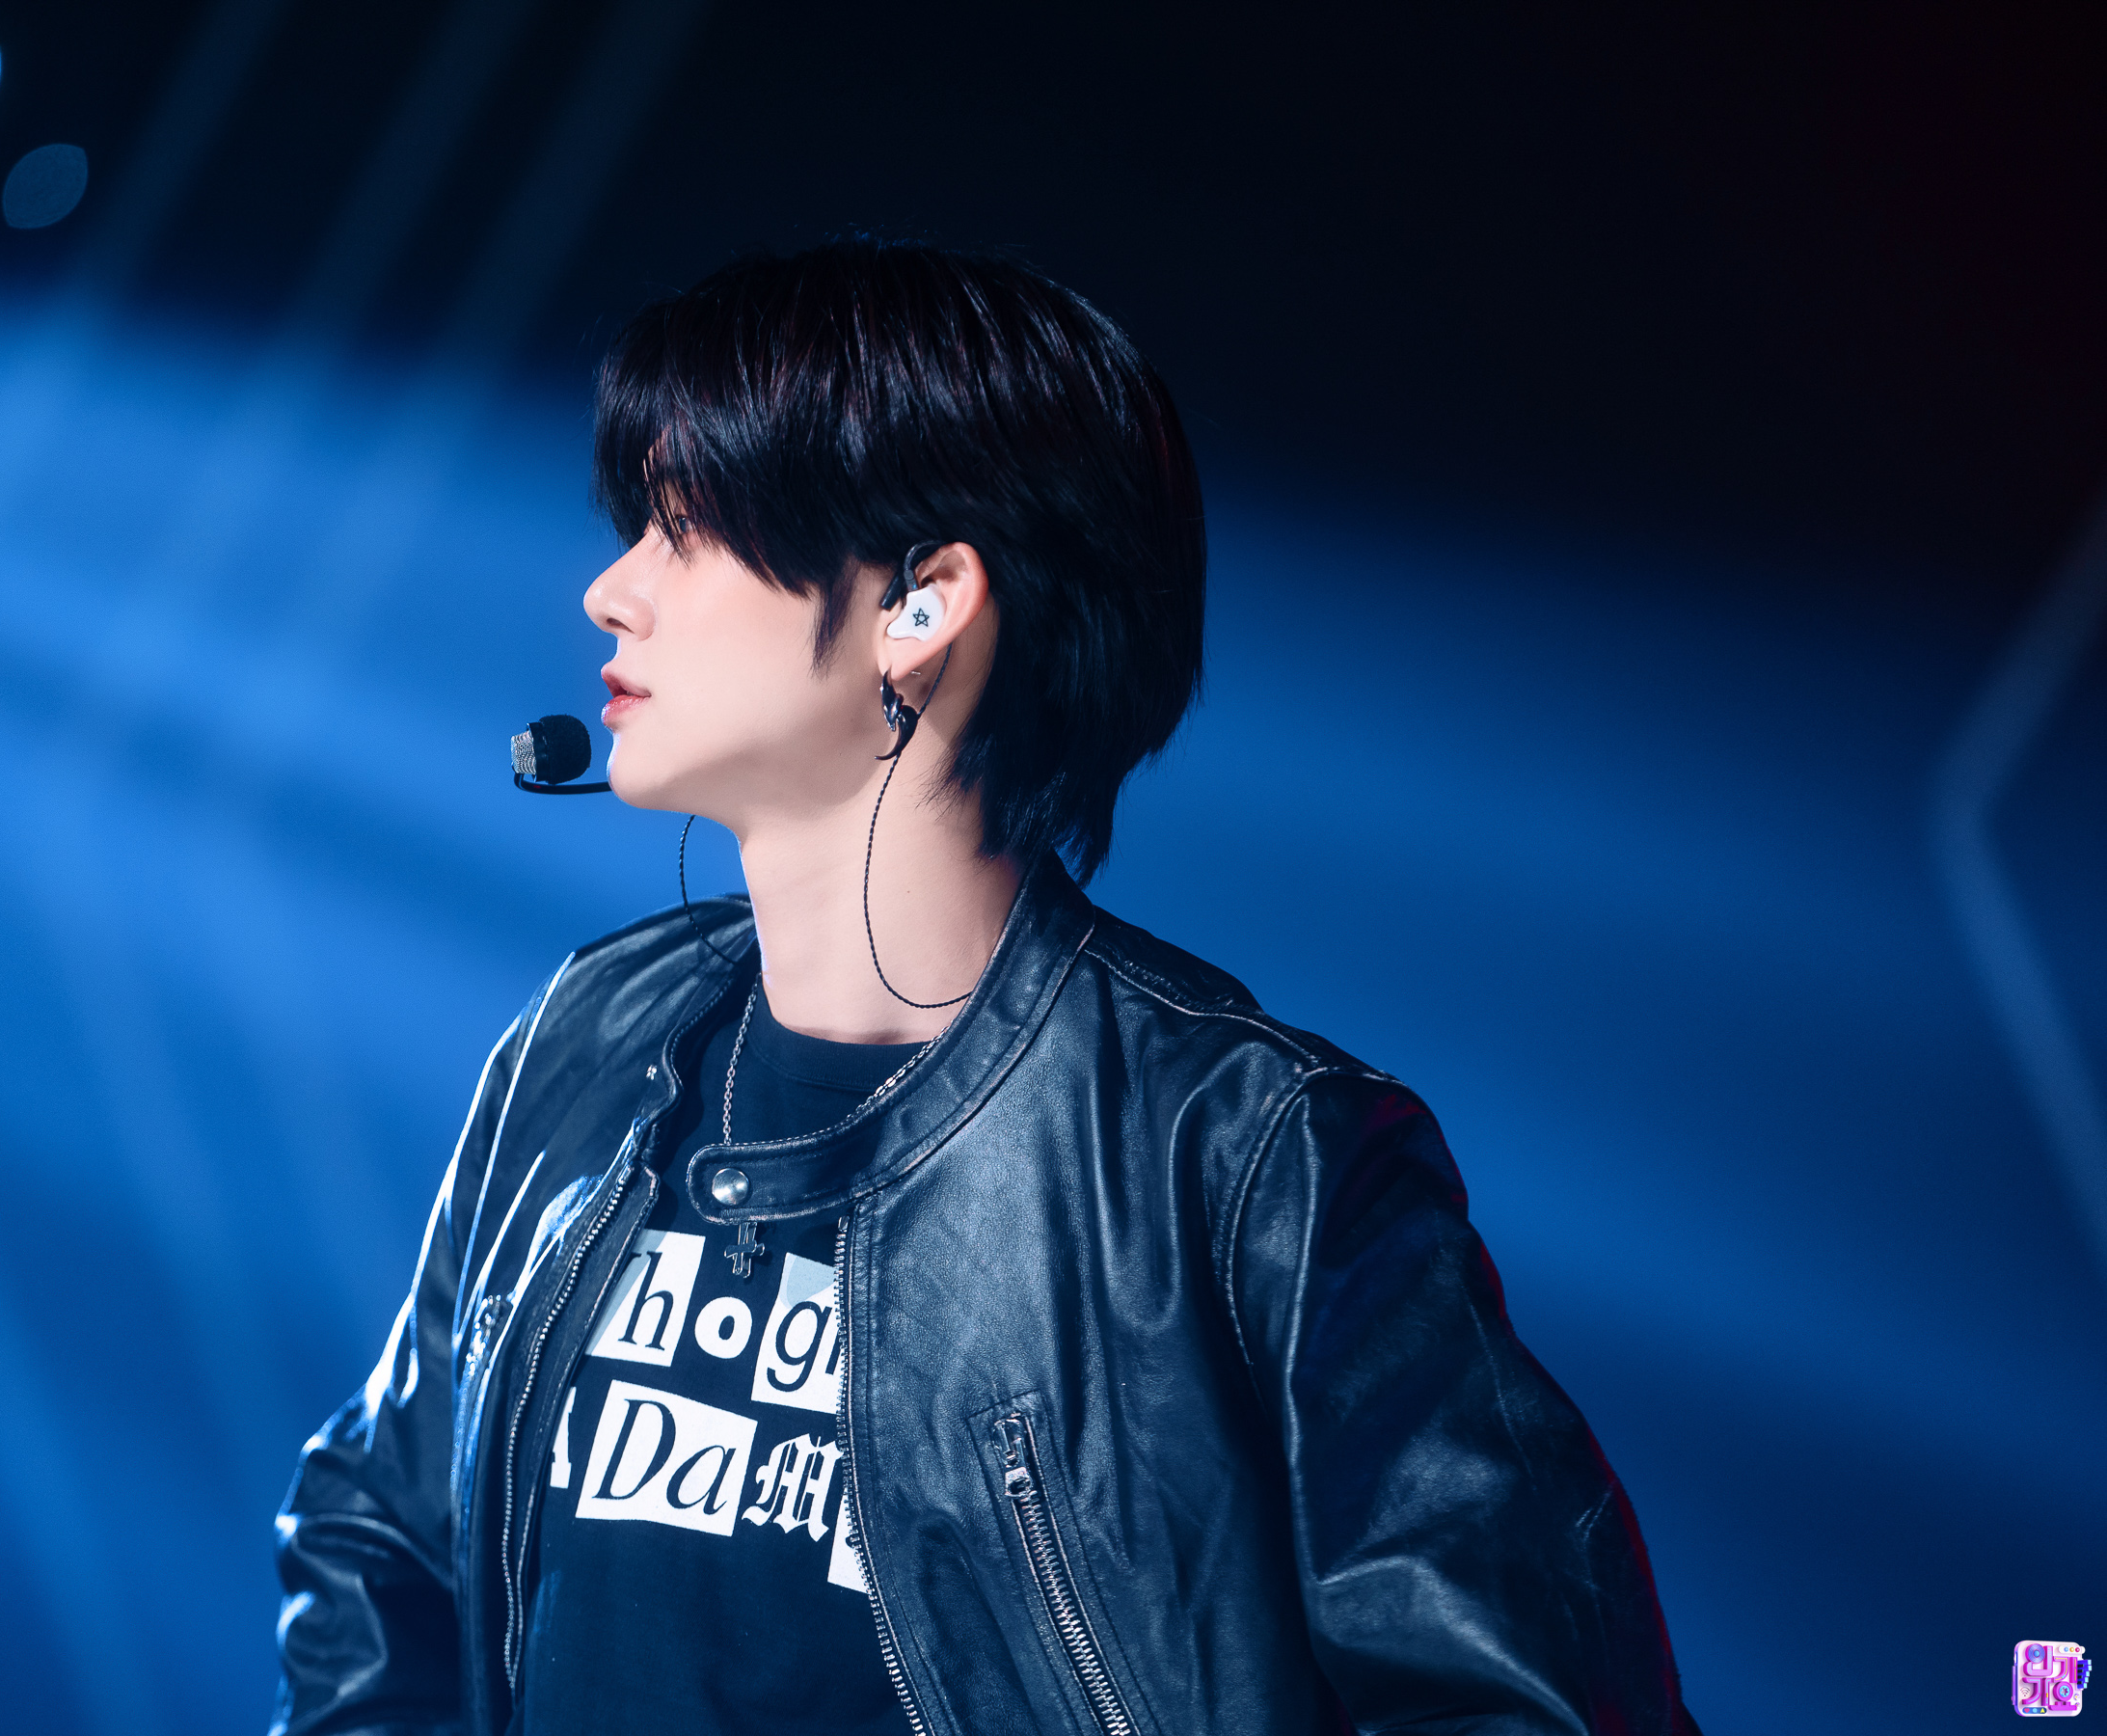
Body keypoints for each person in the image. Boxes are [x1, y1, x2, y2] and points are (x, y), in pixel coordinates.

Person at [271, 238, 1700, 1736]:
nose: (611, 590)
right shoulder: (587, 1035)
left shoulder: (1246, 1156)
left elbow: (1530, 1702)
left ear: (924, 602)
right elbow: (377, 1530)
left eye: (684, 528)